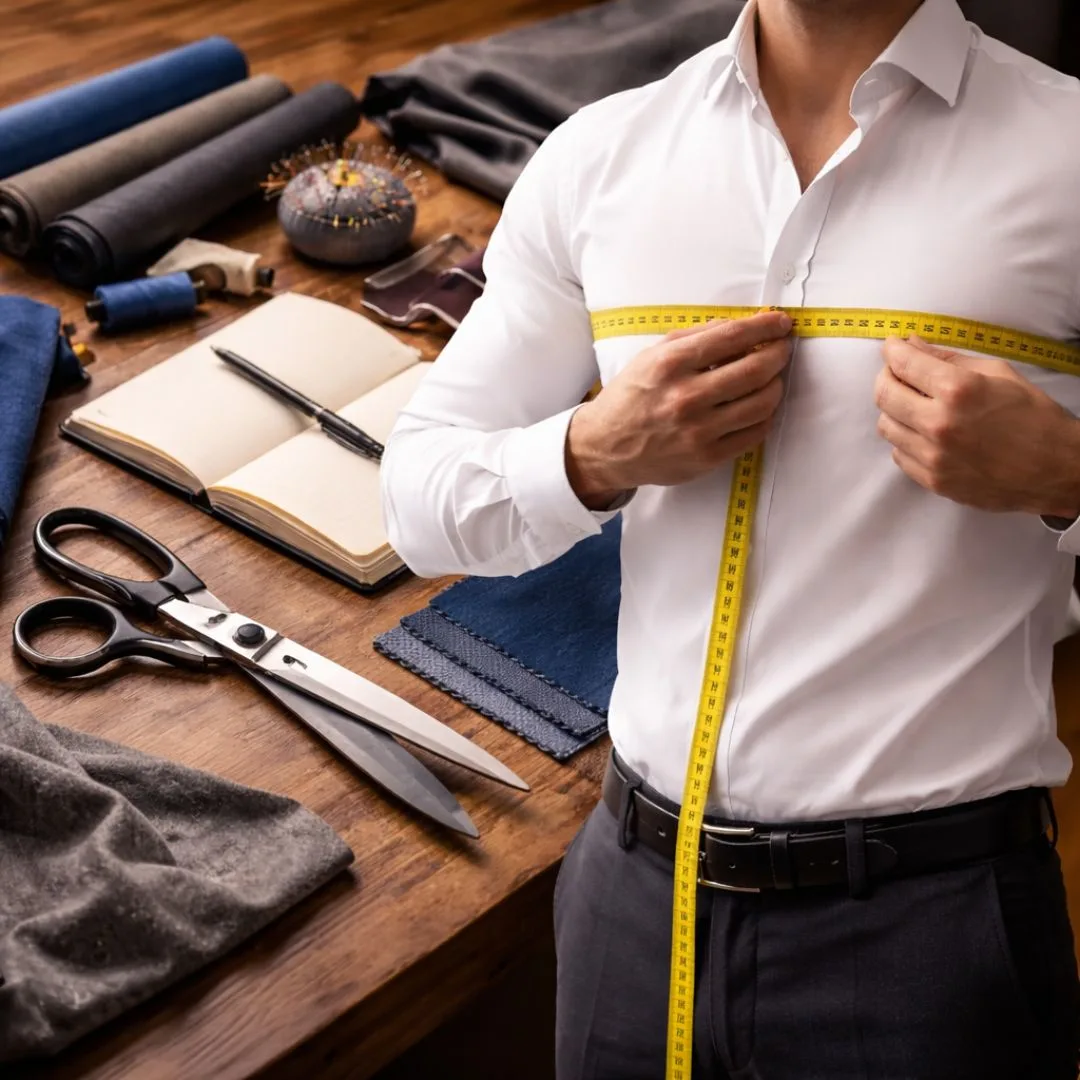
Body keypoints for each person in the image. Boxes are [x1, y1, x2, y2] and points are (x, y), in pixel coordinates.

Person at [380, 0, 1080, 1075]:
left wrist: (1065, 472)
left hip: (928, 932)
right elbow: (417, 502)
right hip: (630, 900)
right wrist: (592, 451)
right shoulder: (599, 158)